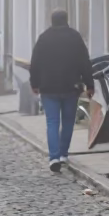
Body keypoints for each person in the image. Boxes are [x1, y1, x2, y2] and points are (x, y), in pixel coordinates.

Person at [29, 9, 94, 173]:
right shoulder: (75, 37)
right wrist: (89, 84)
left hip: (48, 87)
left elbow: (35, 62)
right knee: (68, 121)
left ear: (52, 21)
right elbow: (85, 62)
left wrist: (34, 83)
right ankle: (64, 154)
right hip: (70, 87)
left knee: (52, 122)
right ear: (66, 20)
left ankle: (54, 157)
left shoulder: (44, 38)